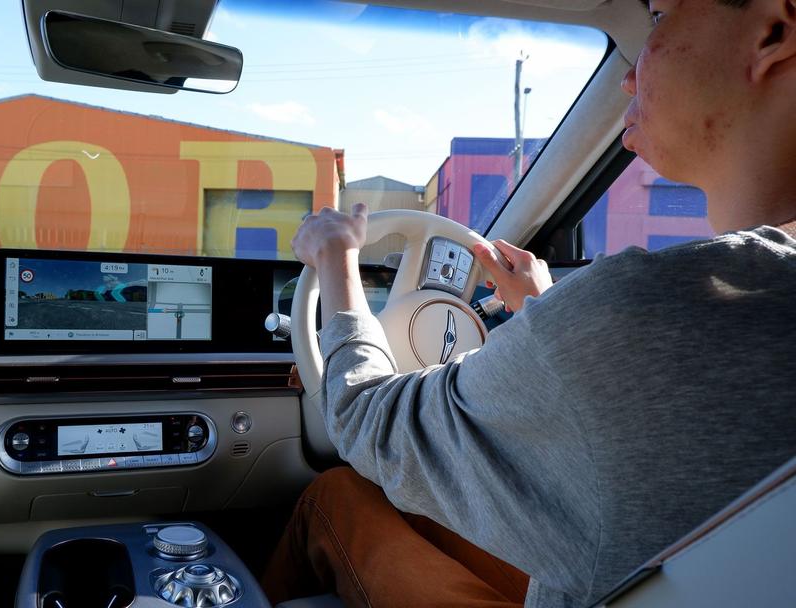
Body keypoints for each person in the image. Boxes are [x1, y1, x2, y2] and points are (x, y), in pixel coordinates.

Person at [262, 0, 796, 606]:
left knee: (336, 496)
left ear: (773, 31)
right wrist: (549, 309)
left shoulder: (656, 304)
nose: (628, 75)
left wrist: (335, 259)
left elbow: (363, 419)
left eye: (656, 17)